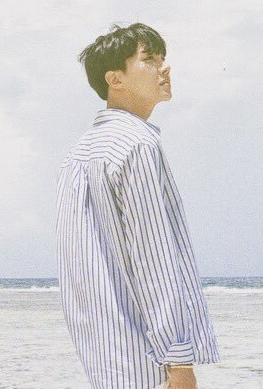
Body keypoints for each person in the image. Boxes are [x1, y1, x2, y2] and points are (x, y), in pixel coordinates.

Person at [56, 22, 220, 389]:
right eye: (150, 59)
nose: (165, 68)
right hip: (147, 361)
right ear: (114, 79)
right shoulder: (137, 144)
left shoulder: (78, 153)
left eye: (163, 58)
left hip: (104, 354)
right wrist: (179, 359)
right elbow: (153, 257)